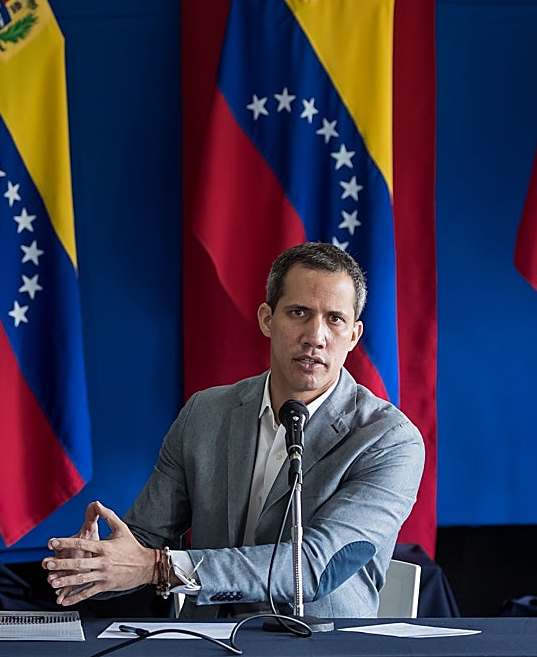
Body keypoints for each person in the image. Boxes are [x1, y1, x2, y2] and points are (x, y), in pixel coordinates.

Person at [41, 241, 424, 618]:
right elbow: (144, 543)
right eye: (298, 312)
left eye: (334, 319)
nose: (315, 336)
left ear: (354, 336)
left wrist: (158, 567)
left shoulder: (388, 440)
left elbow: (312, 568)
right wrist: (94, 564)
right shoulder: (205, 413)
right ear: (266, 319)